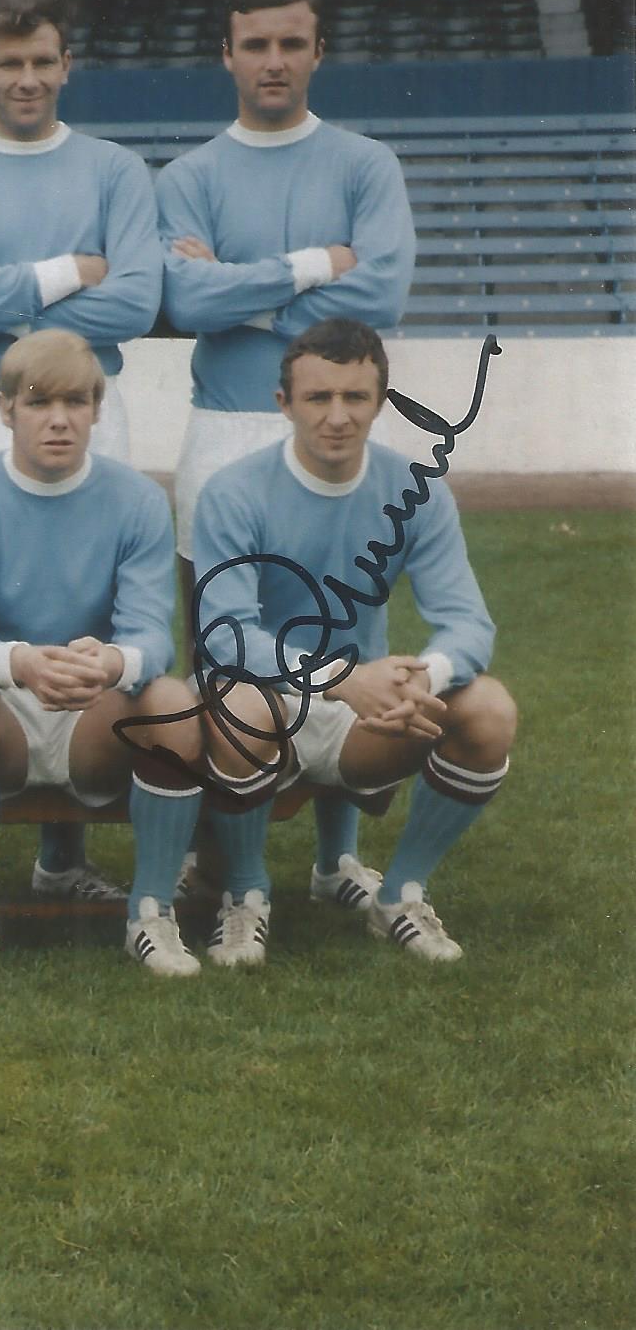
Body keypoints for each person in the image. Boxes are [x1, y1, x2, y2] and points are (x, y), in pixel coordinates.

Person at [0, 0, 161, 901]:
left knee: (78, 597)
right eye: (7, 63)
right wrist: (66, 270)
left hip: (92, 402)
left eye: (41, 61)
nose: (25, 78)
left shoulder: (113, 171)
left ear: (65, 65)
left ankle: (63, 852)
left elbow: (134, 299)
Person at [159, 0, 416, 901]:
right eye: (254, 44)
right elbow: (183, 300)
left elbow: (379, 296)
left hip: (326, 430)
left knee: (342, 615)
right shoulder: (190, 174)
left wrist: (242, 287)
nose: (272, 61)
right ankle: (216, 851)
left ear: (317, 51)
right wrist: (314, 267)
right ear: (227, 55)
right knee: (222, 647)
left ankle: (332, 854)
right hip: (224, 429)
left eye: (289, 43)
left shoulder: (362, 164)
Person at [189, 318, 510, 966]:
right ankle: (245, 893)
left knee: (488, 709)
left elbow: (469, 622)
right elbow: (223, 635)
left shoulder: (415, 490)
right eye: (317, 397)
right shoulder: (231, 491)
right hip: (262, 709)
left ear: (378, 401)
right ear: (282, 403)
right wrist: (339, 677)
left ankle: (399, 893)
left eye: (355, 397)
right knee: (238, 702)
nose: (336, 416)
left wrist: (421, 677)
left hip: (365, 719)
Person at [0, 330, 209, 978]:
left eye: (75, 401)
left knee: (169, 700)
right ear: (3, 409)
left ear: (96, 409)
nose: (58, 418)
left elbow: (149, 635)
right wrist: (20, 662)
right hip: (2, 707)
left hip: (90, 708)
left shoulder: (134, 499)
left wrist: (108, 663)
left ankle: (151, 910)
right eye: (37, 401)